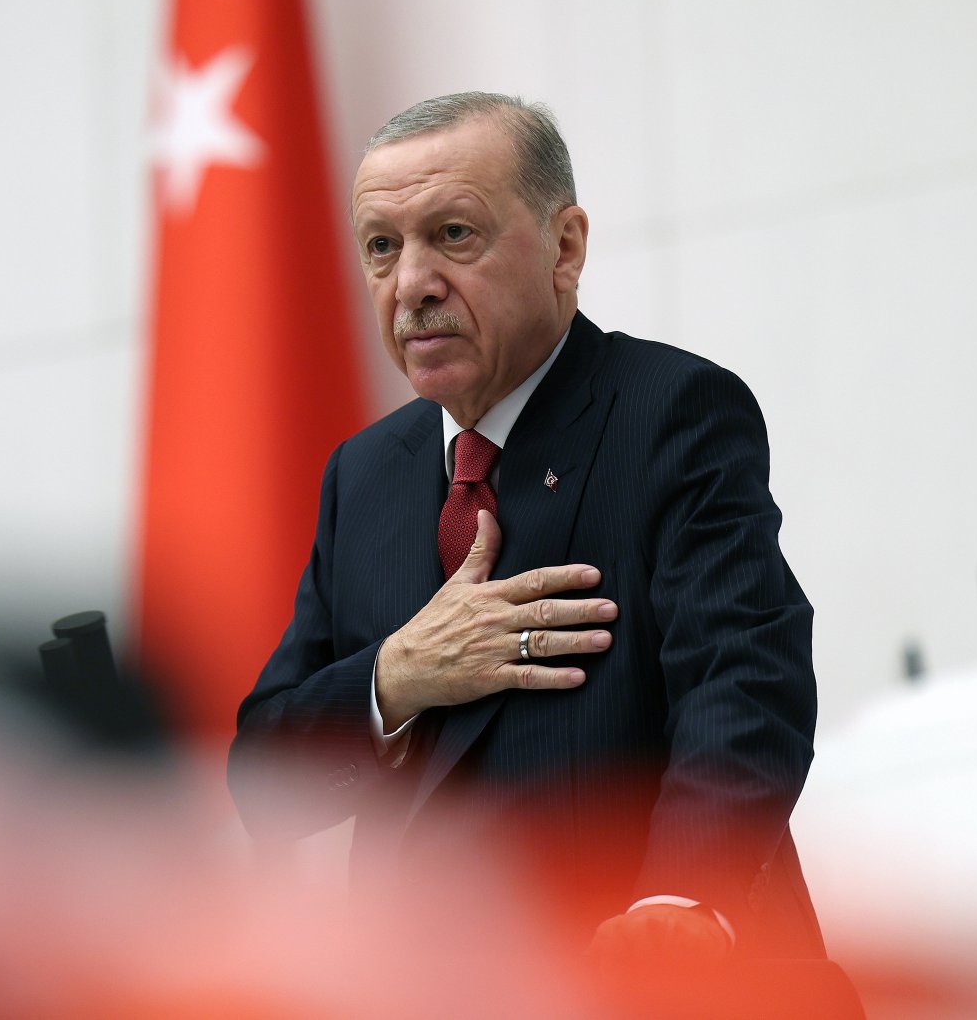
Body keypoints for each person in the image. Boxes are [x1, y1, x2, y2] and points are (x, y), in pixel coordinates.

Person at [227, 92, 826, 962]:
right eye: (382, 247)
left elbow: (744, 679)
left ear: (565, 247)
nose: (414, 284)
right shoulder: (361, 475)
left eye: (455, 235)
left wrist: (682, 905)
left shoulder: (669, 413)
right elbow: (266, 783)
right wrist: (398, 676)